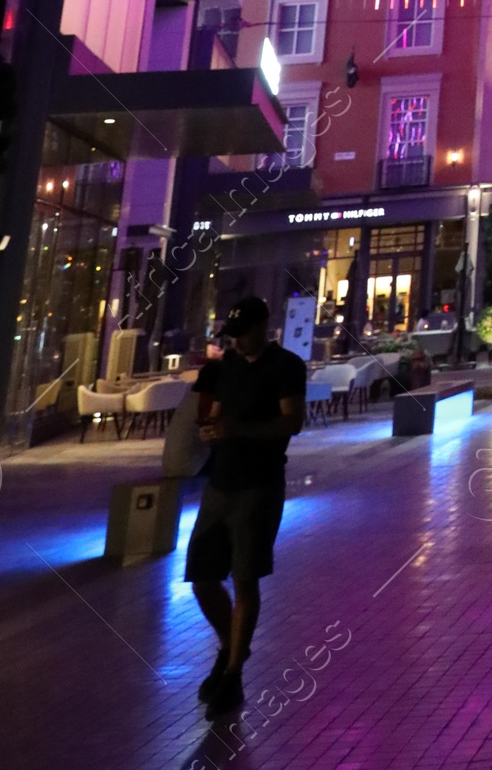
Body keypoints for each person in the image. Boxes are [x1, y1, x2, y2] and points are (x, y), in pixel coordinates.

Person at [186, 296, 307, 719]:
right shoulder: (227, 367)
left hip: (259, 484)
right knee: (202, 576)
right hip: (220, 482)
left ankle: (233, 672)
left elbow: (292, 421)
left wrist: (240, 429)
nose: (236, 341)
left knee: (245, 578)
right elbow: (217, 413)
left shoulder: (286, 366)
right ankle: (229, 646)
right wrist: (211, 431)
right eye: (231, 335)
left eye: (242, 333)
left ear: (263, 326)